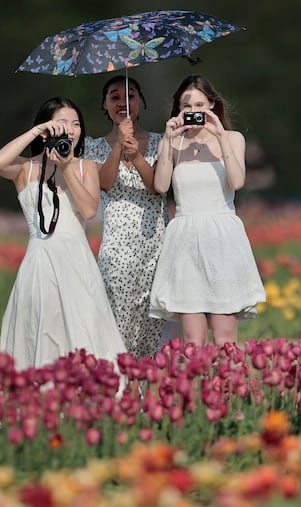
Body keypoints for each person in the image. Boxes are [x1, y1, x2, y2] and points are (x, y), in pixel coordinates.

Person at [0, 96, 127, 370]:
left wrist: (66, 167)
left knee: (83, 326)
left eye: (76, 123)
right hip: (40, 260)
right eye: (62, 122)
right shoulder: (26, 169)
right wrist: (35, 132)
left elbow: (89, 210)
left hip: (77, 262)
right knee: (41, 326)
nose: (71, 129)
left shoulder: (85, 166)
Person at [149, 74, 266, 347]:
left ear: (212, 105)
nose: (193, 112)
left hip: (222, 237)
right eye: (186, 106)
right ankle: (195, 389)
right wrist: (167, 141)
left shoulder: (233, 139)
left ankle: (230, 389)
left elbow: (237, 181)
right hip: (185, 238)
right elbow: (161, 184)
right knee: (193, 339)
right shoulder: (174, 143)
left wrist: (219, 136)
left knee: (225, 338)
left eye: (199, 105)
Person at [83, 75, 180, 357]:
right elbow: (104, 182)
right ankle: (120, 382)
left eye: (130, 96)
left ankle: (147, 386)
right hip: (117, 246)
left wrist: (137, 155)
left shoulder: (160, 142)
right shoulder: (94, 146)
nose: (123, 102)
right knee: (118, 318)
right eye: (114, 97)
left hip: (155, 243)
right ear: (104, 104)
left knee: (153, 324)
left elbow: (158, 188)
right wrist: (118, 146)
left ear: (140, 102)